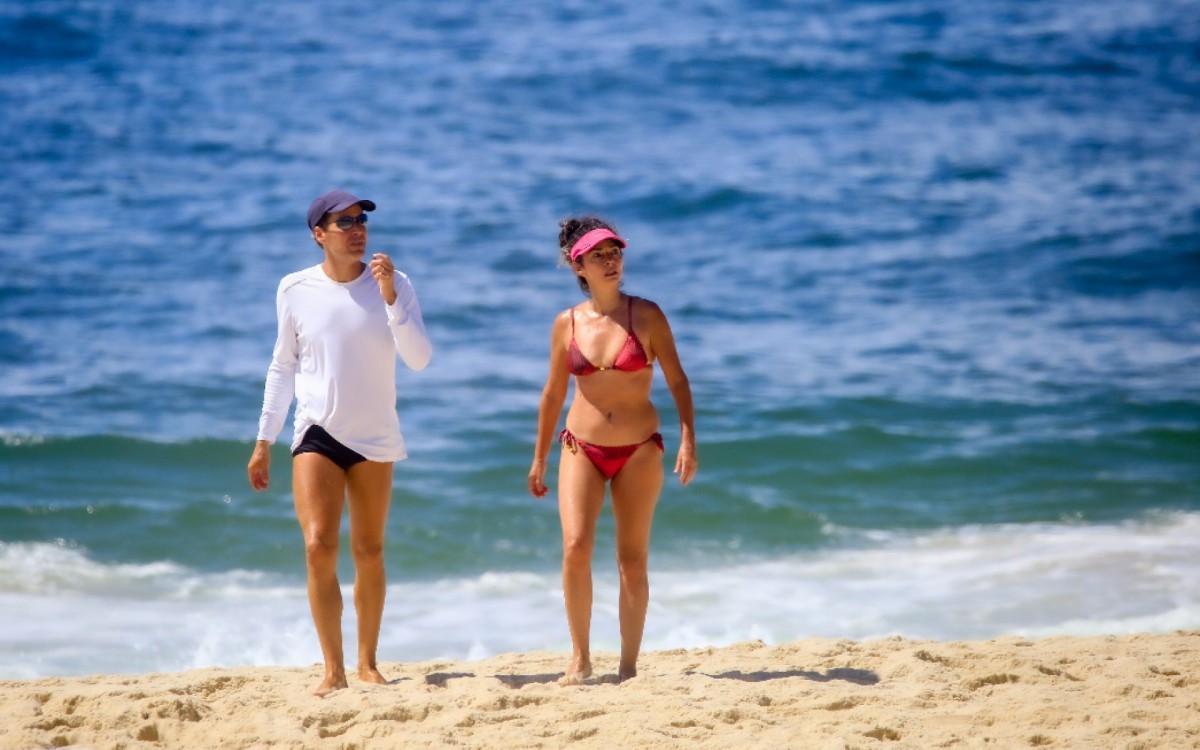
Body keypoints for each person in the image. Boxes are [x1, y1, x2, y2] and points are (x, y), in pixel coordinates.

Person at [246, 189, 432, 697]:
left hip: (375, 434)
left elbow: (418, 358)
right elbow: (282, 365)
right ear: (318, 234)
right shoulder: (294, 289)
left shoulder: (394, 284)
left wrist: (392, 296)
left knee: (369, 550)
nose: (357, 229)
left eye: (362, 221)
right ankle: (334, 668)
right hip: (316, 432)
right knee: (317, 546)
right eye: (344, 222)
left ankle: (368, 663)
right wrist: (264, 439)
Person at [528, 216, 697, 685]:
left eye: (615, 252)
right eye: (598, 255)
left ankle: (627, 666)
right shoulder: (566, 324)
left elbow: (678, 381)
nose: (610, 261)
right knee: (575, 547)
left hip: (639, 450)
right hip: (580, 448)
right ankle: (580, 658)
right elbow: (552, 394)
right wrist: (540, 457)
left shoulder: (647, 315)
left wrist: (688, 439)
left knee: (632, 557)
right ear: (577, 265)